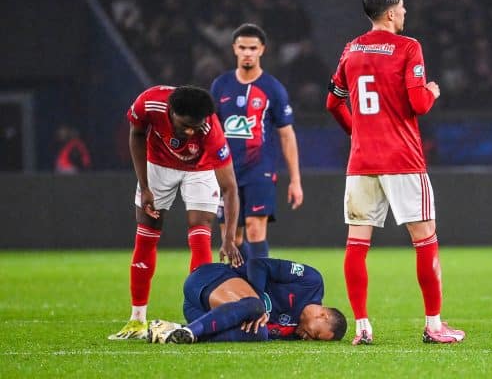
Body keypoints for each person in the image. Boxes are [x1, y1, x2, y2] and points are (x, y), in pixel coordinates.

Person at [325, 0, 465, 345]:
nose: (405, 13)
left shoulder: (351, 49)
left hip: (361, 161)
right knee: (425, 241)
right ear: (390, 13)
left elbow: (332, 103)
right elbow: (418, 103)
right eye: (402, 8)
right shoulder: (408, 47)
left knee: (357, 243)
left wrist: (357, 134)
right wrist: (433, 91)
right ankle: (434, 326)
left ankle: (362, 327)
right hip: (401, 159)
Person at [109, 85, 243, 340]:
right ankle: (136, 320)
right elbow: (136, 134)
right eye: (185, 125)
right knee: (147, 233)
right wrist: (145, 185)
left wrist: (228, 239)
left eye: (196, 126)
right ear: (170, 112)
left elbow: (230, 187)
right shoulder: (149, 103)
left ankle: (200, 322)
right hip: (157, 164)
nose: (191, 131)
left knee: (200, 232)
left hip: (200, 170)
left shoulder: (211, 130)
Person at [210, 23, 303, 260]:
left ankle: (261, 291)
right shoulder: (220, 85)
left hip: (259, 170)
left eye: (253, 48)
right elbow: (211, 130)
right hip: (226, 170)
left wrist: (295, 180)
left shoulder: (273, 89)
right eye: (243, 47)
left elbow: (286, 134)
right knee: (232, 237)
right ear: (234, 49)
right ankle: (240, 291)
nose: (248, 53)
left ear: (262, 50)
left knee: (254, 228)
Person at [148, 257, 347, 343]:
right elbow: (257, 264)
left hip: (201, 314)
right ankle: (191, 332)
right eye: (315, 333)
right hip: (208, 280)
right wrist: (259, 302)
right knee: (254, 306)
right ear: (323, 314)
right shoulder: (311, 281)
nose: (308, 338)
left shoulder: (292, 332)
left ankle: (175, 329)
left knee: (260, 333)